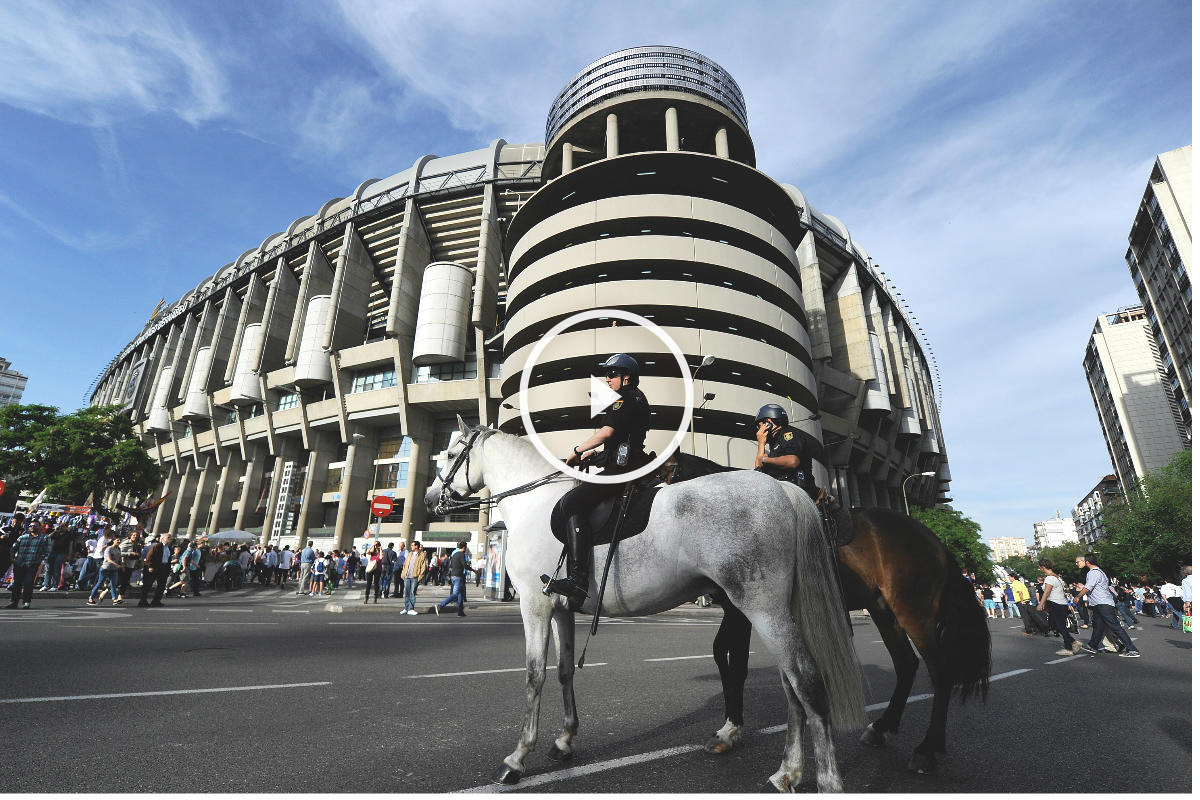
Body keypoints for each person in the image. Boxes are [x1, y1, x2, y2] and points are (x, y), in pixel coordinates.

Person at [546, 353, 651, 610]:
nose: (608, 378)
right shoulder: (637, 399)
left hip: (623, 473)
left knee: (571, 503)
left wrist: (578, 449)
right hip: (628, 465)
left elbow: (607, 432)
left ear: (627, 377)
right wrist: (594, 456)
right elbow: (623, 444)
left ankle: (577, 580)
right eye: (607, 374)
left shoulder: (624, 398)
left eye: (612, 374)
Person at [1073, 553, 1140, 658]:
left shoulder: (1093, 572)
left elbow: (1088, 587)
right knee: (1098, 626)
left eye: (1079, 562)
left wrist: (1078, 596)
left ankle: (1132, 649)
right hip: (1101, 603)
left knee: (1116, 627)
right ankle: (1092, 646)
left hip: (1102, 603)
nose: (1077, 564)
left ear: (1087, 562)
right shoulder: (1100, 572)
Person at [1036, 560, 1080, 655]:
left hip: (1057, 604)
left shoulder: (1049, 578)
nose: (1039, 569)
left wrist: (1041, 604)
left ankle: (1069, 648)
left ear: (1042, 567)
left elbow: (1047, 592)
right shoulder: (1057, 577)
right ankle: (1073, 642)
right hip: (1060, 604)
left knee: (1060, 626)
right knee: (1054, 625)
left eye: (1039, 567)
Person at [7, 520, 51, 609]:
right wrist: (12, 559)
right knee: (17, 584)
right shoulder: (23, 537)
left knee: (28, 583)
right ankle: (14, 602)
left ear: (40, 527)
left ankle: (26, 602)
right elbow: (13, 548)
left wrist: (40, 561)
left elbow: (48, 552)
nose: (32, 527)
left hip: (32, 564)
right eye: (31, 525)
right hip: (19, 563)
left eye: (35, 525)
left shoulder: (45, 538)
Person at [432, 541, 470, 616]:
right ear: (464, 547)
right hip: (458, 576)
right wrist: (473, 569)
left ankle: (460, 611)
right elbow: (465, 565)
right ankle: (440, 606)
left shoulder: (454, 554)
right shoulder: (462, 554)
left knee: (460, 594)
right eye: (466, 547)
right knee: (455, 594)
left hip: (454, 575)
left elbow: (451, 565)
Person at [87, 534, 125, 606]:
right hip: (105, 569)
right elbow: (108, 559)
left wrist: (122, 565)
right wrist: (116, 564)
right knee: (99, 583)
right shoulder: (109, 549)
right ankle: (90, 598)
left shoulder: (118, 549)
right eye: (117, 540)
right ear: (113, 540)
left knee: (113, 584)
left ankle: (114, 599)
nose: (119, 541)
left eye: (120, 540)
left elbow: (120, 558)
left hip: (114, 569)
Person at [139, 533, 173, 607]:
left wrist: (168, 569)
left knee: (162, 585)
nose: (170, 539)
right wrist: (150, 566)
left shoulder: (169, 548)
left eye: (170, 537)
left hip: (163, 568)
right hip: (154, 567)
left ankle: (156, 601)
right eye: (168, 537)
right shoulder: (157, 546)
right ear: (163, 538)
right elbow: (149, 556)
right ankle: (143, 601)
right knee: (147, 585)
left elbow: (168, 559)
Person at [42, 524, 72, 591]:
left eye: (63, 526)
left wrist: (69, 555)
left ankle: (55, 586)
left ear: (66, 527)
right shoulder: (56, 533)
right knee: (49, 569)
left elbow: (70, 545)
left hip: (62, 553)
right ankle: (46, 585)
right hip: (52, 552)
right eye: (60, 526)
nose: (61, 527)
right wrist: (55, 531)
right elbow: (47, 538)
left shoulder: (69, 535)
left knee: (57, 569)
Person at [401, 540, 427, 615]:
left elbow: (423, 567)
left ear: (416, 546)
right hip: (407, 576)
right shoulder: (410, 554)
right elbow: (405, 564)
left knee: (412, 592)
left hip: (415, 577)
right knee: (407, 593)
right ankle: (406, 608)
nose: (411, 546)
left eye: (412, 545)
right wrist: (403, 574)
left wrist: (420, 576)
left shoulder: (422, 555)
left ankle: (411, 609)